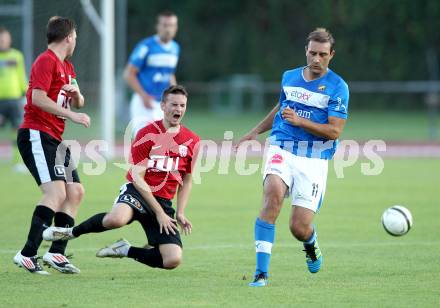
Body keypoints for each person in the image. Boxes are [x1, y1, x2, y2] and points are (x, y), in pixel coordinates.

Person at [43, 85, 200, 271]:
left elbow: (187, 180)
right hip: (138, 192)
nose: (178, 109)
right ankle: (69, 233)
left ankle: (125, 250)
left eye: (182, 105)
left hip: (163, 202)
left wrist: (180, 212)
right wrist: (159, 214)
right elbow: (137, 178)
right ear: (163, 106)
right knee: (116, 219)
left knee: (172, 260)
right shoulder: (146, 134)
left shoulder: (192, 140)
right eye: (174, 104)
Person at [237, 28, 349, 287]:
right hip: (281, 146)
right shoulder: (289, 77)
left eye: (322, 54)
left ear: (331, 55)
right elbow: (281, 107)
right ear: (306, 51)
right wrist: (255, 131)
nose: (316, 59)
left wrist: (300, 120)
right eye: (312, 53)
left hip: (314, 159)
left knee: (298, 227)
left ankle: (310, 242)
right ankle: (261, 274)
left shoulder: (338, 87)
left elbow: (334, 131)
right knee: (272, 194)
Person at [13, 16, 90, 275]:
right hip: (36, 133)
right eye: (75, 36)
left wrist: (76, 97)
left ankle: (56, 252)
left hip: (54, 139)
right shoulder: (45, 61)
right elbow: (37, 98)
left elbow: (78, 102)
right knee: (55, 194)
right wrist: (71, 115)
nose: (76, 41)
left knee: (75, 192)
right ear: (68, 37)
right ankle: (27, 253)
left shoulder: (67, 67)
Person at [124, 11, 180, 136]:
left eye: (171, 25)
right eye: (165, 25)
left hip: (163, 104)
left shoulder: (175, 48)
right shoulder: (146, 47)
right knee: (144, 143)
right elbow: (129, 74)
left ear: (176, 27)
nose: (168, 29)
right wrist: (143, 95)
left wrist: (176, 96)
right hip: (143, 103)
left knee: (163, 145)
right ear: (158, 26)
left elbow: (170, 74)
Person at [0, 27, 28, 171]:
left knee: (17, 132)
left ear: (9, 39)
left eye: (4, 38)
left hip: (15, 100)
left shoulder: (17, 56)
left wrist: (25, 95)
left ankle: (18, 162)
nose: (2, 41)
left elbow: (21, 76)